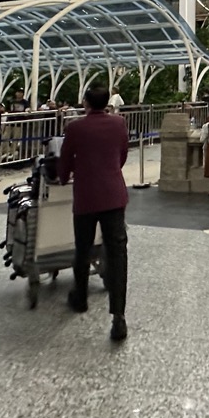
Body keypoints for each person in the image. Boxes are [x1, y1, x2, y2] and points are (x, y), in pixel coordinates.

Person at [59, 85, 130, 341]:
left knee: (83, 248)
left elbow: (65, 162)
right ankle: (118, 316)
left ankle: (80, 298)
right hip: (113, 195)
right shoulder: (119, 124)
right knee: (118, 252)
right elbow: (122, 156)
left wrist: (65, 176)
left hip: (87, 197)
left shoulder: (75, 128)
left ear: (86, 103)